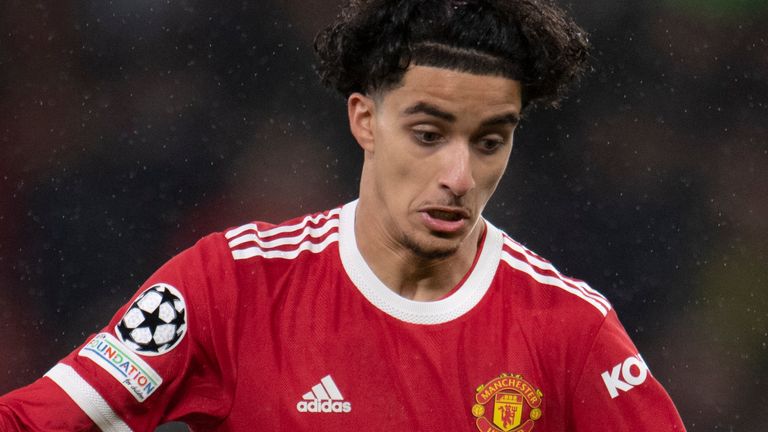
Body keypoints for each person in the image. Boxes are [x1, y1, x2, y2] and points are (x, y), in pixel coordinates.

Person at [0, 0, 686, 430]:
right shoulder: (233, 284)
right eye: (428, 134)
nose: (459, 176)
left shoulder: (570, 331)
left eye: (489, 141)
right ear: (365, 119)